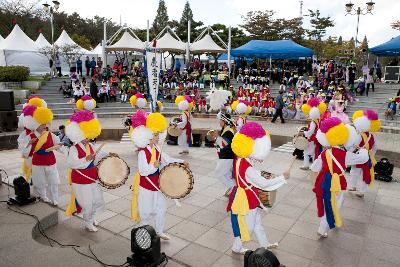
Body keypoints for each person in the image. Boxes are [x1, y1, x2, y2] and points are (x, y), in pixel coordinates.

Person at [228, 122, 289, 254]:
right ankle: (236, 247)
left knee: (257, 224)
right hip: (247, 198)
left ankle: (265, 244)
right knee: (248, 226)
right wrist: (282, 178)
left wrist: (255, 158)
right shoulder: (247, 167)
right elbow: (264, 184)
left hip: (243, 194)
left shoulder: (239, 159)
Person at [130, 111, 189, 240]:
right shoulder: (142, 153)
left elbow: (166, 159)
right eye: (155, 135)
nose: (158, 137)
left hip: (157, 184)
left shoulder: (156, 148)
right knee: (146, 211)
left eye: (157, 134)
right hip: (146, 186)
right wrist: (154, 166)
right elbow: (143, 171)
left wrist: (182, 162)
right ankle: (142, 231)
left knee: (161, 207)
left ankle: (159, 230)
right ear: (148, 137)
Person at [310, 117, 369, 238]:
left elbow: (315, 168)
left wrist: (315, 182)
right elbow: (363, 158)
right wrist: (362, 150)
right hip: (338, 182)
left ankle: (332, 220)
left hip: (324, 180)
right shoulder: (346, 155)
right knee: (336, 204)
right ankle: (323, 227)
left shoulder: (324, 153)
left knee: (330, 202)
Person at [65, 110, 114, 232]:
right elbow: (72, 163)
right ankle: (88, 222)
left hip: (92, 177)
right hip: (80, 180)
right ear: (78, 133)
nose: (88, 138)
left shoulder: (90, 146)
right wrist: (85, 159)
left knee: (98, 200)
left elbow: (98, 154)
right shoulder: (73, 149)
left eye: (88, 135)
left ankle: (91, 218)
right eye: (85, 135)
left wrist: (109, 154)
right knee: (88, 203)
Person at [21, 105, 61, 205]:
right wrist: (29, 143)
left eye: (45, 123)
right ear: (35, 124)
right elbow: (24, 152)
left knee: (53, 181)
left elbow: (58, 144)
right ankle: (43, 196)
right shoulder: (31, 136)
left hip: (50, 160)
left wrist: (60, 146)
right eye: (42, 124)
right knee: (40, 181)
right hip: (37, 161)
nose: (44, 125)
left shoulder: (50, 134)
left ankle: (54, 198)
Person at [349, 110, 380, 198]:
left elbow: (354, 146)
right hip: (367, 157)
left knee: (354, 171)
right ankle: (362, 191)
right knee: (365, 173)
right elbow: (375, 147)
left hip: (358, 156)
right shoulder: (372, 136)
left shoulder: (359, 135)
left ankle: (353, 186)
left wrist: (350, 154)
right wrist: (371, 155)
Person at [18, 97, 48, 182]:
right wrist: (28, 142)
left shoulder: (44, 123)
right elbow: (21, 144)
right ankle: (31, 178)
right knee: (31, 165)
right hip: (31, 151)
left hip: (43, 155)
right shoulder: (27, 129)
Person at [209, 112, 236, 196]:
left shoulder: (228, 131)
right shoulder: (225, 130)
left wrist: (216, 137)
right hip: (225, 156)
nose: (219, 122)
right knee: (226, 174)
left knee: (218, 173)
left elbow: (223, 144)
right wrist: (214, 138)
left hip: (227, 156)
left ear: (225, 121)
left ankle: (233, 188)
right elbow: (219, 146)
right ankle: (233, 188)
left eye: (220, 120)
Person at [300, 98, 327, 170]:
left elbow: (310, 131)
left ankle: (307, 165)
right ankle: (314, 166)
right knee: (314, 153)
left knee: (306, 152)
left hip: (312, 138)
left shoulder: (313, 122)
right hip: (317, 138)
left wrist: (304, 132)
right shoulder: (319, 119)